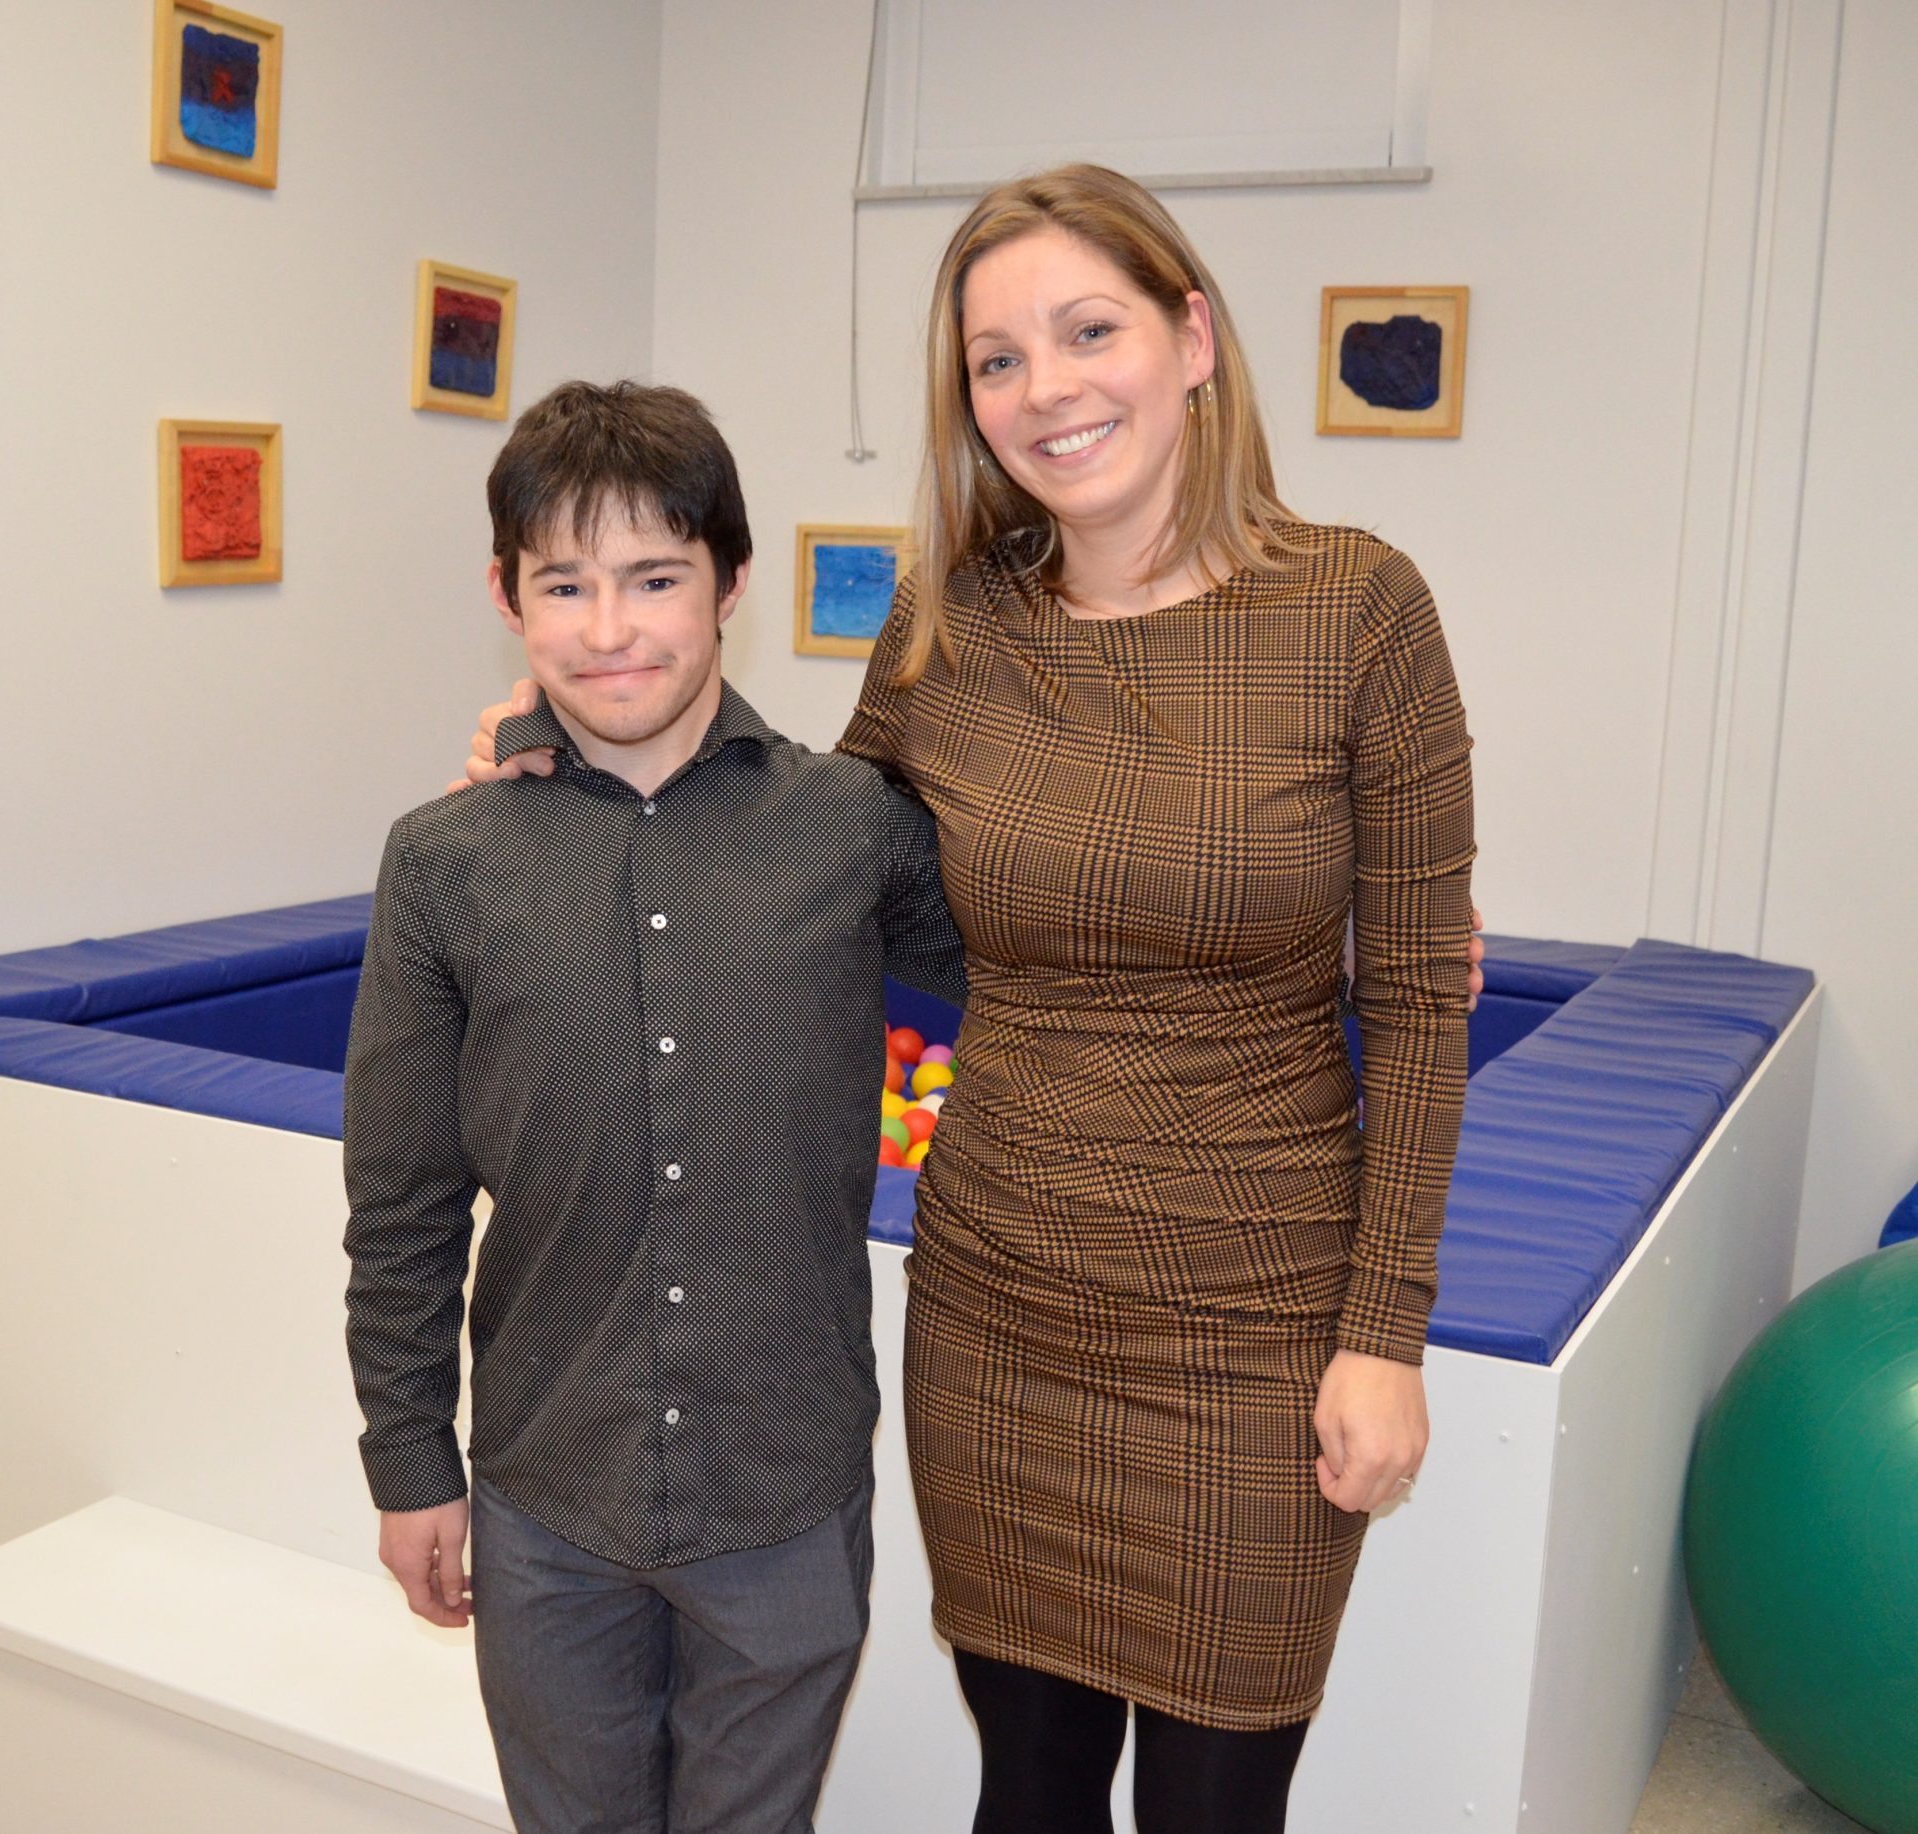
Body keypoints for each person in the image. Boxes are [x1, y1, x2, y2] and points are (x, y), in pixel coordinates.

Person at [464, 169, 1479, 1834]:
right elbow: (797, 845)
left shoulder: (1360, 607)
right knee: (1030, 1790)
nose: (1045, 388)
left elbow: (1429, 1008)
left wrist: (1385, 1330)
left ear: (1192, 338)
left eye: (1089, 331)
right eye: (997, 359)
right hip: (1002, 1307)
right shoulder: (951, 624)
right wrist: (561, 739)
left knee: (1219, 1806)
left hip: (1260, 1321)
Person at [342, 379, 966, 1834]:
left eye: (655, 578)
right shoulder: (444, 860)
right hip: (548, 1491)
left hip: (785, 1491)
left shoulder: (855, 825)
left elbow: (1062, 960)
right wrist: (409, 1456)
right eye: (564, 584)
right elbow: (403, 1198)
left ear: (731, 582)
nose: (610, 628)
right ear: (506, 597)